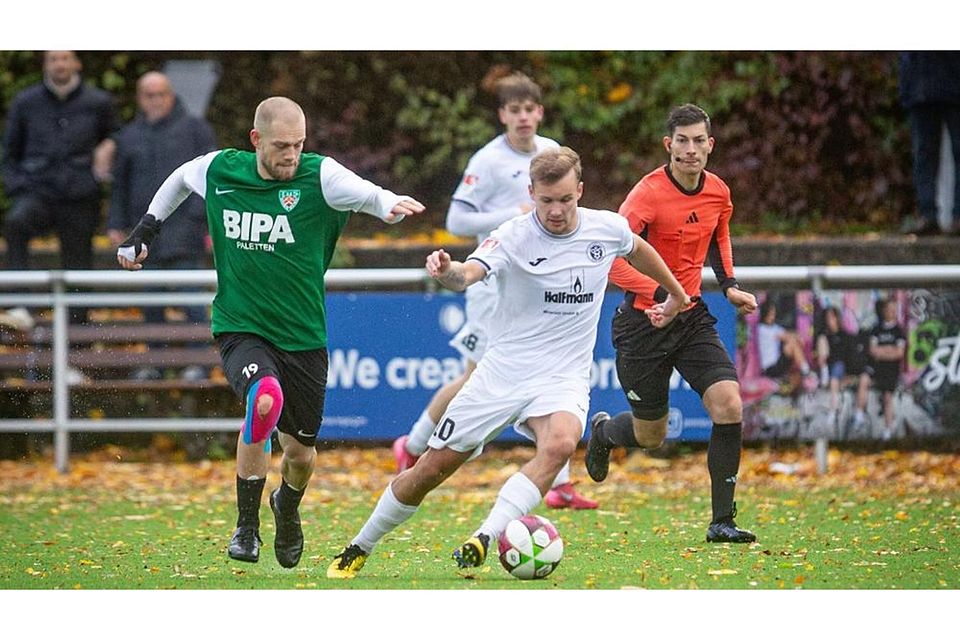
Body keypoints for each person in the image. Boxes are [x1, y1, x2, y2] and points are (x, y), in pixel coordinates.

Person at [326, 147, 690, 579]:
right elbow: (469, 273)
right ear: (531, 192)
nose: (556, 211)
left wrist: (676, 293)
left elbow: (637, 248)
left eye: (565, 200)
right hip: (502, 372)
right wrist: (447, 272)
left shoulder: (606, 229)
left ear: (580, 191)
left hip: (562, 376)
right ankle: (360, 545)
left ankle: (485, 535)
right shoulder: (513, 234)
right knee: (431, 470)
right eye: (546, 201)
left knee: (559, 444)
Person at [116, 96, 424, 568]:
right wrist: (147, 230)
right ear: (256, 140)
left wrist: (388, 203)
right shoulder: (222, 170)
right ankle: (246, 526)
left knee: (300, 453)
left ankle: (287, 505)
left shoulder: (319, 176)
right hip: (241, 325)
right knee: (264, 399)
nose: (292, 156)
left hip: (302, 336)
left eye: (299, 145)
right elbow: (179, 177)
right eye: (282, 146)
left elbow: (363, 191)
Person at [390, 71, 598, 509]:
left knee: (547, 371)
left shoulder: (551, 154)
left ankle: (557, 482)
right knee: (473, 377)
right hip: (493, 282)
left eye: (530, 109)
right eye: (514, 110)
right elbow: (455, 222)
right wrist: (514, 211)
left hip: (536, 284)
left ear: (540, 112)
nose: (523, 117)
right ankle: (412, 445)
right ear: (502, 115)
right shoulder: (487, 161)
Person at [584, 103, 760, 544]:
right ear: (669, 145)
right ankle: (604, 432)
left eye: (699, 140)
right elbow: (612, 262)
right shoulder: (645, 195)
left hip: (692, 316)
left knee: (729, 404)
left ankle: (722, 521)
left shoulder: (718, 191)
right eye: (682, 141)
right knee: (652, 435)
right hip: (643, 324)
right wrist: (661, 296)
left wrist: (730, 284)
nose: (691, 149)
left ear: (710, 145)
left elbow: (718, 235)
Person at [107, 71, 218, 381]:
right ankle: (155, 363)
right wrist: (117, 224)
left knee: (191, 299)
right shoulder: (129, 136)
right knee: (151, 301)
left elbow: (211, 177)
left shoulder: (195, 129)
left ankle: (199, 363)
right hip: (145, 237)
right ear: (141, 99)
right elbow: (120, 186)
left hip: (186, 234)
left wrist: (200, 219)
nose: (155, 100)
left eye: (161, 94)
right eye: (149, 95)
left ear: (171, 95)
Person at [2, 50, 119, 323]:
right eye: (54, 59)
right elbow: (9, 152)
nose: (60, 64)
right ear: (46, 64)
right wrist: (17, 186)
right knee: (16, 223)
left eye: (65, 58)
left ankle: (78, 335)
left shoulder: (98, 102)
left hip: (80, 195)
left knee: (79, 260)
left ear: (76, 63)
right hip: (37, 190)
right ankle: (21, 306)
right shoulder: (25, 102)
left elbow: (118, 135)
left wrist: (110, 145)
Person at [898, 52, 960, 235]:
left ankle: (944, 215)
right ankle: (928, 214)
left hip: (942, 82)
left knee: (926, 153)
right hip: (921, 85)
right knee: (923, 153)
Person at [853, 297, 906, 440]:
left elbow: (899, 353)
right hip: (876, 368)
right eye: (889, 309)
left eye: (894, 310)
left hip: (890, 370)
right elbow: (872, 350)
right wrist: (889, 349)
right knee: (863, 379)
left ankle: (888, 429)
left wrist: (883, 352)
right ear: (884, 311)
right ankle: (858, 415)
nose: (891, 312)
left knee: (887, 397)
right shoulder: (876, 329)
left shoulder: (899, 331)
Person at [757, 297, 815, 385]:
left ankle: (803, 370)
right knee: (791, 344)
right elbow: (785, 336)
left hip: (778, 364)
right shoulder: (762, 329)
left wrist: (799, 337)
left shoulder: (774, 327)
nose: (773, 315)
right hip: (770, 368)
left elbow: (788, 333)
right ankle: (806, 372)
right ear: (766, 313)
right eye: (771, 313)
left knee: (793, 343)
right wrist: (797, 338)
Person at [815, 306, 856, 426]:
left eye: (832, 317)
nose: (830, 320)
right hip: (827, 366)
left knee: (835, 376)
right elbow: (821, 355)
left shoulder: (844, 335)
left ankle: (833, 411)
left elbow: (848, 357)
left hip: (840, 368)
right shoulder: (824, 335)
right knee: (822, 340)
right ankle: (824, 374)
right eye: (828, 318)